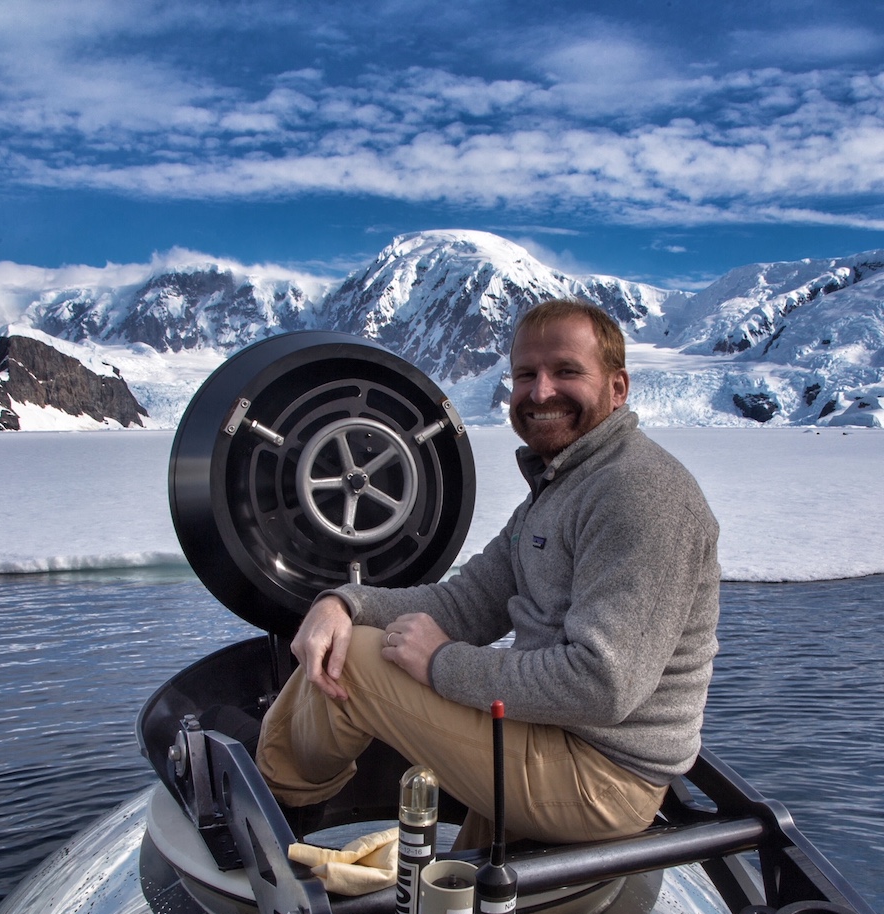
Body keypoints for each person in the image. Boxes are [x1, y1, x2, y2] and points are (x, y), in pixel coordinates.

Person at [256, 298, 720, 848]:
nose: (541, 392)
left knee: (355, 660)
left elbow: (601, 684)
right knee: (458, 907)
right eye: (526, 375)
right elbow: (468, 603)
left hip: (602, 775)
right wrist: (343, 603)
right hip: (552, 736)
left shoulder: (639, 493)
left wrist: (442, 664)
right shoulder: (562, 487)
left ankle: (271, 800)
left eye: (566, 371)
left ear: (618, 388)